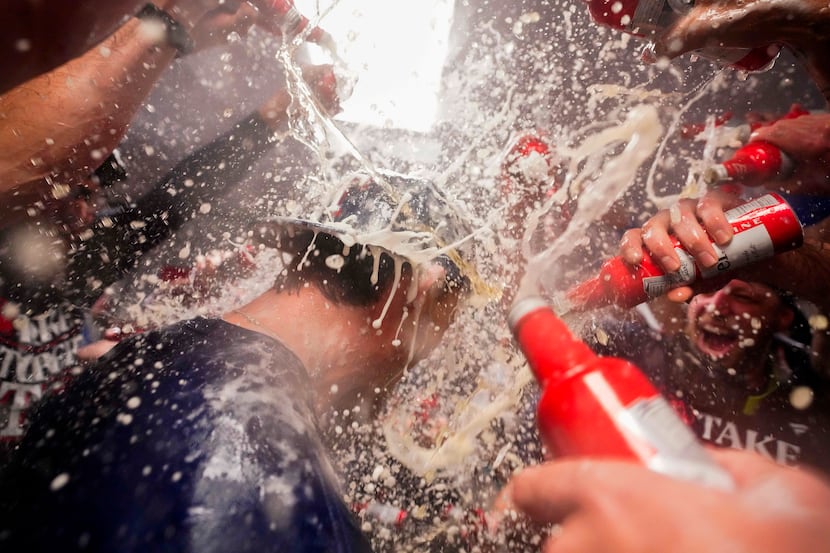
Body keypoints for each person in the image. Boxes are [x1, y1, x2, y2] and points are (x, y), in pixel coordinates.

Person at [0, 169, 475, 552]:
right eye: (445, 322)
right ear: (419, 291)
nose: (424, 358)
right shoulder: (268, 472)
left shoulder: (161, 351)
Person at [0, 63, 339, 458]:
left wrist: (268, 120)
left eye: (90, 198)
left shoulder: (85, 257)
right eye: (72, 194)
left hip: (48, 474)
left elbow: (176, 200)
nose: (84, 213)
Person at [502, 446, 830, 553]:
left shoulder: (804, 402)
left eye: (743, 294)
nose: (715, 307)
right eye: (706, 297)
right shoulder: (651, 349)